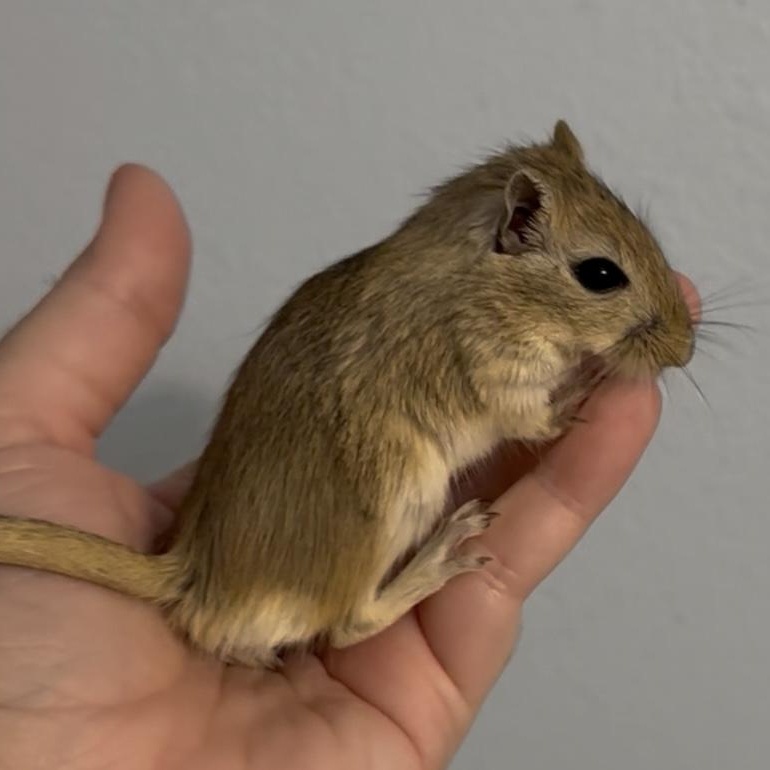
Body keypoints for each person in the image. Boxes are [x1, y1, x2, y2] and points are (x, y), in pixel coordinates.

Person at [0, 165, 691, 769]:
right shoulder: (467, 314)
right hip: (281, 578)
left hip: (247, 553)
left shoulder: (424, 296)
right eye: (599, 279)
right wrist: (545, 414)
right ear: (514, 230)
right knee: (385, 470)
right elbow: (502, 405)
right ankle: (360, 608)